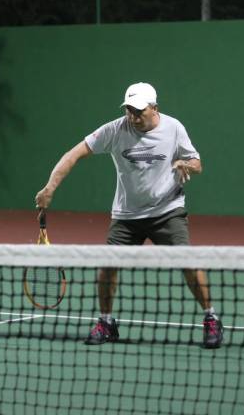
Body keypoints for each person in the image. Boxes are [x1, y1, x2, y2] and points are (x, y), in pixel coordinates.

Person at [34, 82, 223, 349]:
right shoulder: (115, 130)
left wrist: (185, 163)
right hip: (127, 215)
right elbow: (73, 154)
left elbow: (197, 163)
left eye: (138, 111)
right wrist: (49, 188)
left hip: (167, 210)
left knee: (188, 260)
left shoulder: (174, 128)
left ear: (154, 108)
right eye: (128, 111)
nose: (132, 117)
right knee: (106, 268)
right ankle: (106, 322)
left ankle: (211, 318)